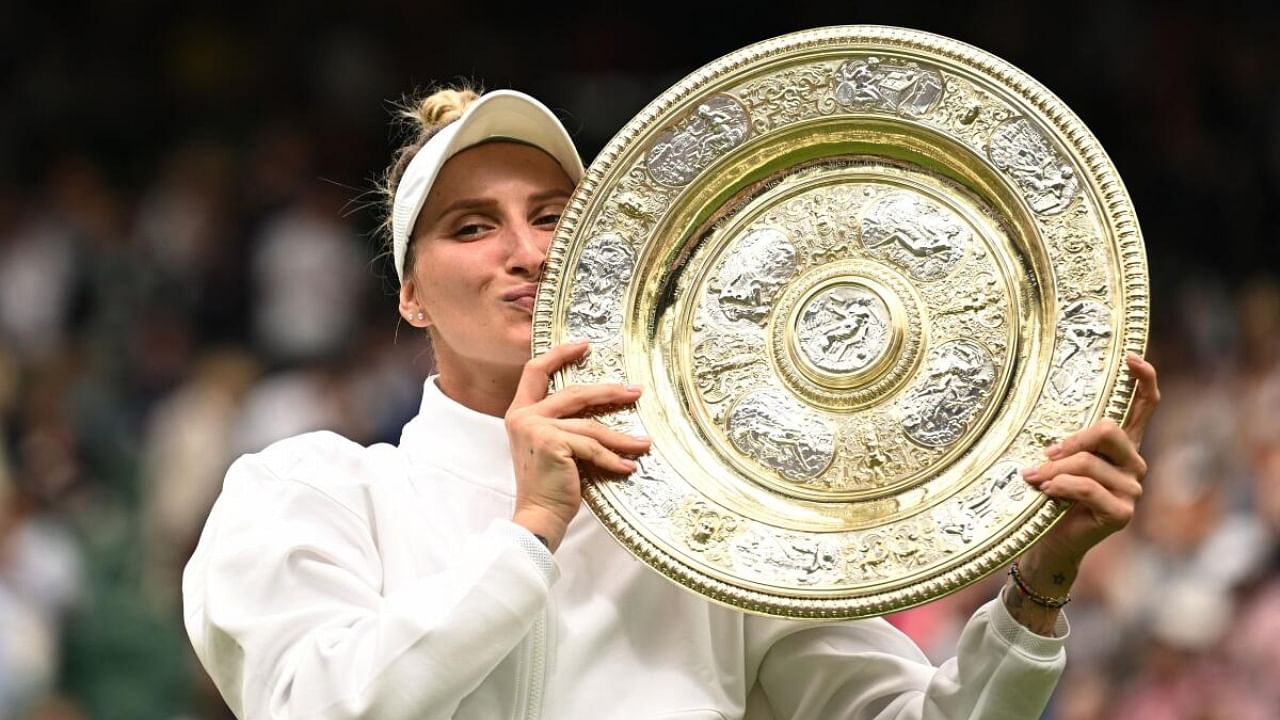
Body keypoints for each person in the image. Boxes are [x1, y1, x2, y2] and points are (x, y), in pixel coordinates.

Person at [182, 85, 1160, 719]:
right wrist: (530, 529)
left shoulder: (714, 518)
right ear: (407, 292)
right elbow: (314, 706)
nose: (524, 251)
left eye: (554, 217)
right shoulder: (308, 488)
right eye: (470, 227)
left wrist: (1036, 587)